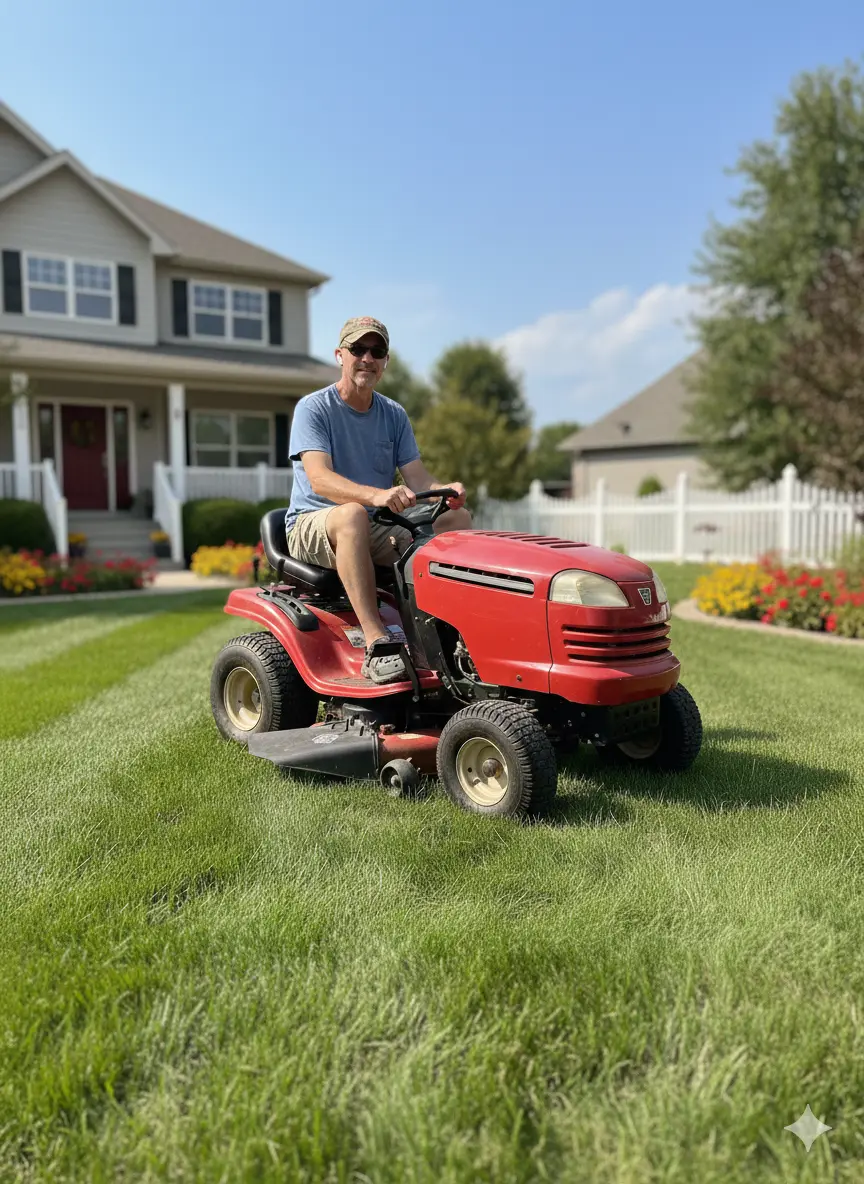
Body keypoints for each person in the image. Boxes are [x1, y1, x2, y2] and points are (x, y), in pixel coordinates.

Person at [285, 316, 471, 684]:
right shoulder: (313, 408)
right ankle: (376, 641)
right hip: (314, 523)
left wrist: (448, 490)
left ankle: (456, 631)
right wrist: (378, 495)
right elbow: (320, 480)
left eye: (377, 351)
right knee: (352, 514)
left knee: (459, 519)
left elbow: (418, 479)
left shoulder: (394, 414)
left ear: (386, 360)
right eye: (358, 349)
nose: (367, 358)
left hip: (374, 523)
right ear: (340, 355)